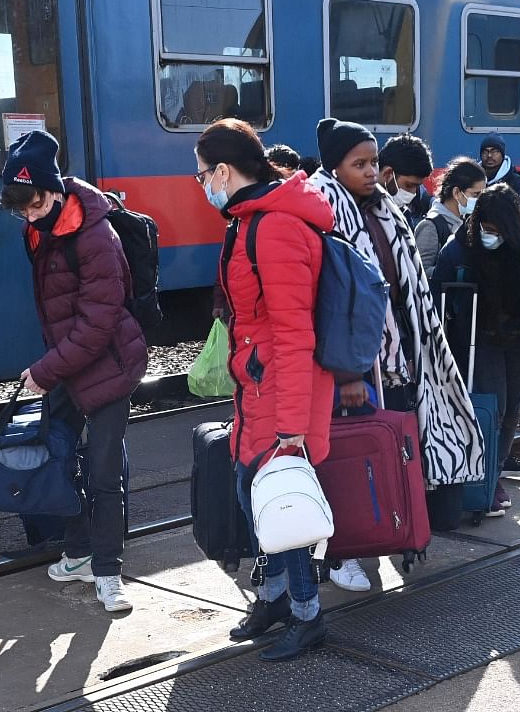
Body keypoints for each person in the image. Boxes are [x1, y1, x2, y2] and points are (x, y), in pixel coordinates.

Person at [308, 118, 484, 584]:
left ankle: (391, 528)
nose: (370, 172)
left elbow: (408, 288)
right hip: (355, 363)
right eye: (358, 163)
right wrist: (347, 371)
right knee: (348, 459)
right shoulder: (321, 208)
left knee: (393, 451)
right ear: (334, 166)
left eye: (372, 162)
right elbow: (329, 299)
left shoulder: (382, 208)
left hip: (399, 357)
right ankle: (340, 551)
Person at [196, 118, 335, 661]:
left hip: (280, 393)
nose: (203, 184)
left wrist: (292, 430)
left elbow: (296, 333)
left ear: (225, 171)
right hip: (260, 386)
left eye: (204, 174)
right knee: (254, 495)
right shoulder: (251, 220)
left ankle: (307, 615)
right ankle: (273, 599)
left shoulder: (272, 228)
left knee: (285, 506)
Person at [0, 131, 147, 612]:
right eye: (22, 209)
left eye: (35, 203)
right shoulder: (40, 229)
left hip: (109, 370)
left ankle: (108, 571)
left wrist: (46, 369)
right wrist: (53, 367)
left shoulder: (96, 235)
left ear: (55, 188)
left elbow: (99, 322)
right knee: (61, 463)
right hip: (69, 365)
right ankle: (80, 552)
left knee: (103, 475)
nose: (30, 215)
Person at [434, 185, 520, 512]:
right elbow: (436, 292)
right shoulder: (458, 249)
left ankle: (492, 474)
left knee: (510, 411)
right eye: (487, 230)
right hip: (477, 339)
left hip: (518, 337)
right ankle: (483, 480)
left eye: (498, 232)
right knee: (491, 409)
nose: (491, 236)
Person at [415, 157, 485, 278]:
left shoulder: (468, 222)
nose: (480, 200)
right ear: (457, 193)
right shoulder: (430, 226)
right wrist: (460, 271)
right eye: (475, 194)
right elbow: (421, 273)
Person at [379, 134, 435, 228]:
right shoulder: (360, 213)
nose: (413, 193)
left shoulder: (404, 215)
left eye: (417, 187)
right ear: (388, 174)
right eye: (409, 185)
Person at [478, 133, 520, 218]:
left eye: (494, 151)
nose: (489, 155)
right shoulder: (473, 180)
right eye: (485, 152)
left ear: (503, 154)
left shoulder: (518, 184)